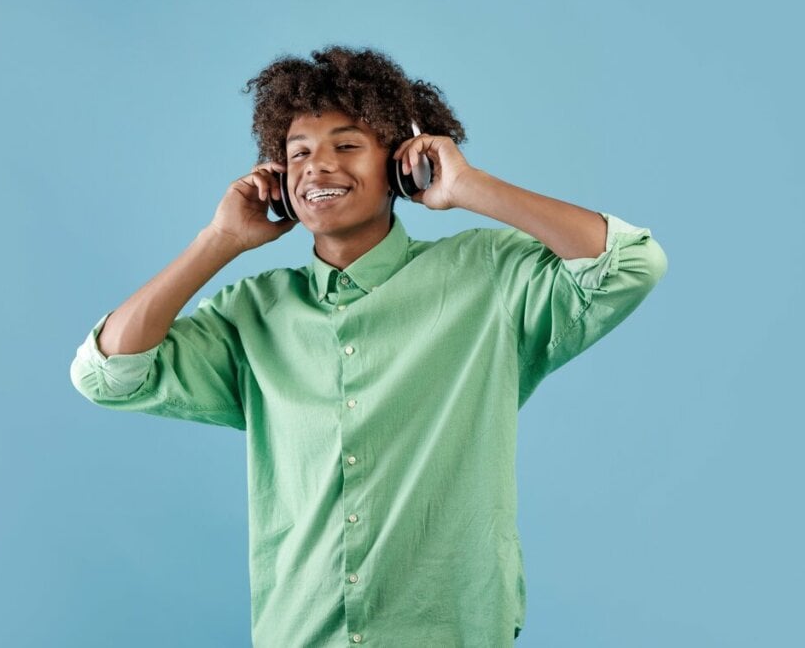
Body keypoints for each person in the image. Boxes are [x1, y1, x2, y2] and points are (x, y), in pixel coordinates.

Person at [69, 45, 668, 646]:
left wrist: (468, 185)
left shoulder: (488, 277)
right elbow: (108, 372)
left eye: (347, 145)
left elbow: (630, 263)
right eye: (298, 153)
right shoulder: (251, 313)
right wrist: (217, 242)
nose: (317, 167)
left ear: (401, 166)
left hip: (450, 631)